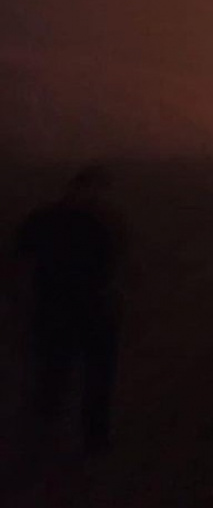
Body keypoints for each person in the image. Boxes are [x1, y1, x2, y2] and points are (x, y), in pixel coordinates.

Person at [13, 165, 127, 454]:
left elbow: (18, 257)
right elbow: (119, 264)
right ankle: (91, 438)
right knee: (94, 375)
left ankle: (44, 436)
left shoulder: (44, 217)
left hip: (54, 305)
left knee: (54, 371)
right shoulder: (105, 220)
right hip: (90, 306)